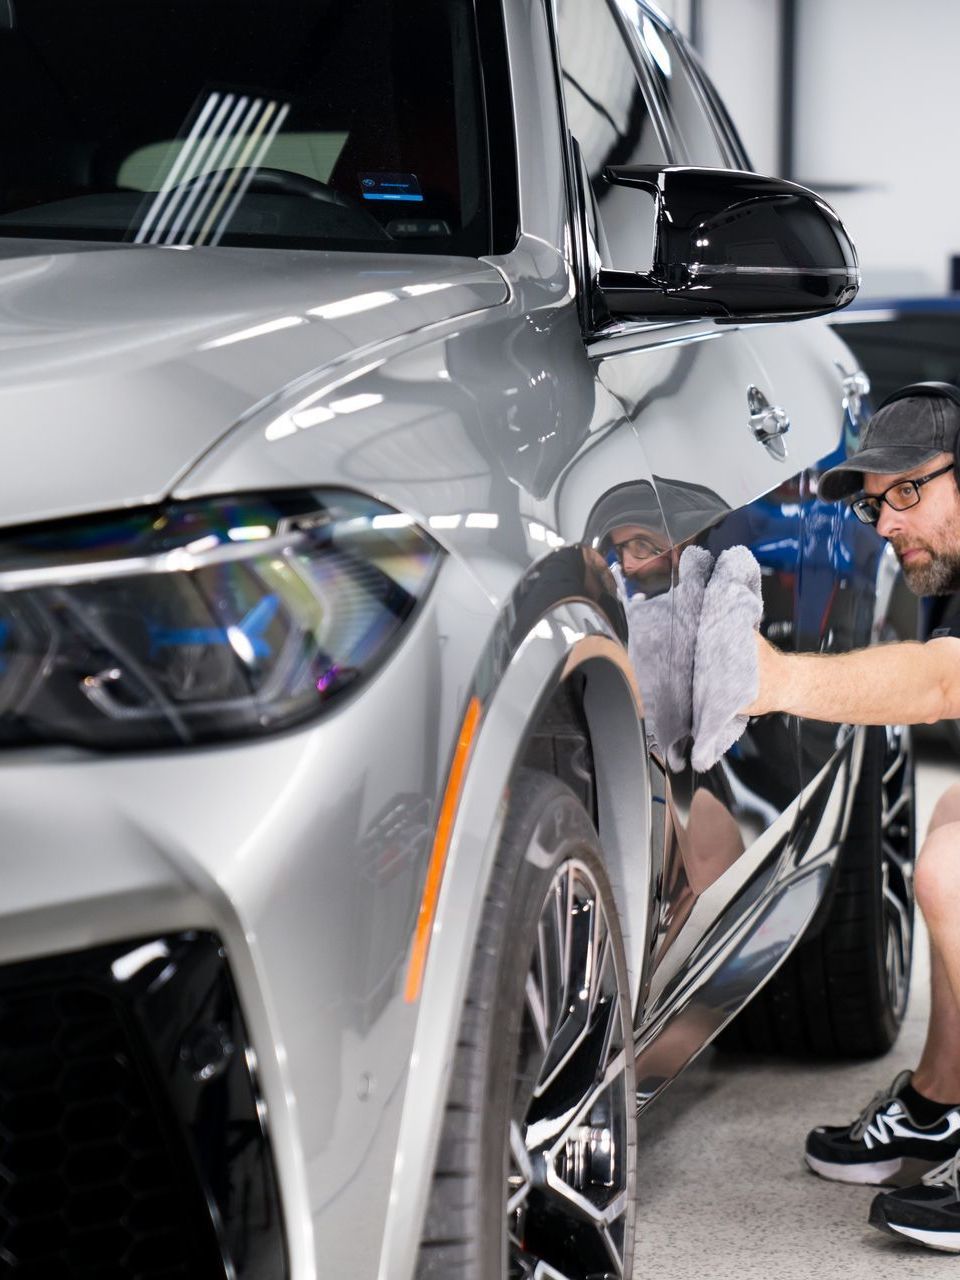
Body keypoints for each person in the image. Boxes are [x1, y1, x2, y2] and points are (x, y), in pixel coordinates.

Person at [745, 382, 960, 1251]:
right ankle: (942, 1107)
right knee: (951, 816)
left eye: (907, 492)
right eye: (877, 504)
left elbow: (943, 684)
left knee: (954, 871)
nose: (887, 522)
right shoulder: (946, 564)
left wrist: (776, 680)